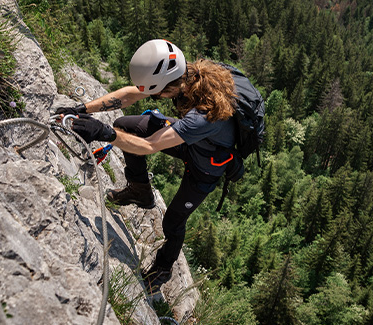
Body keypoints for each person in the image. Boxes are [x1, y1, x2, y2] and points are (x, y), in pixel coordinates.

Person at [55, 39, 240, 293]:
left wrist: (103, 132)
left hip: (206, 165)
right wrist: (83, 108)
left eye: (156, 93)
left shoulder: (202, 117)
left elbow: (150, 146)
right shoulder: (185, 76)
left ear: (168, 87)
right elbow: (132, 92)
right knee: (125, 125)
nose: (153, 97)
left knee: (173, 222)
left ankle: (163, 268)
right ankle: (140, 192)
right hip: (191, 140)